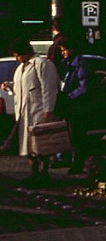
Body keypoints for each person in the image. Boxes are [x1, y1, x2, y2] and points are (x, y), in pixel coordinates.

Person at [10, 40, 60, 185]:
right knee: (29, 146)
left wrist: (48, 109)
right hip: (25, 113)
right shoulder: (21, 68)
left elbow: (48, 88)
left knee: (41, 145)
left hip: (39, 111)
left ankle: (44, 174)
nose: (17, 58)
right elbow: (22, 87)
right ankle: (34, 173)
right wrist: (10, 85)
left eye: (18, 55)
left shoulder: (42, 64)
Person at [55, 35, 90, 175]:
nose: (63, 53)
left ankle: (78, 164)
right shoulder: (65, 63)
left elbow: (84, 86)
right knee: (69, 134)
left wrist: (70, 96)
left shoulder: (80, 63)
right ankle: (67, 159)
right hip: (68, 105)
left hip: (77, 105)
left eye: (65, 50)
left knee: (78, 136)